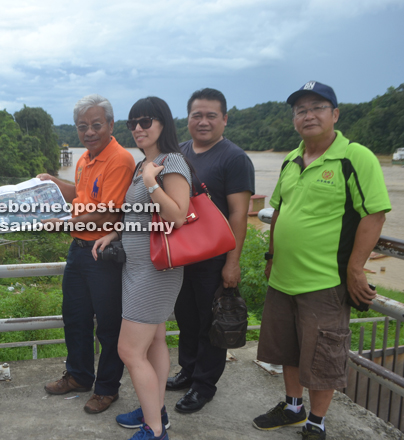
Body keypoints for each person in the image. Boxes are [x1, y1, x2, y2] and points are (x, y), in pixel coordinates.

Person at [253, 81, 391, 440]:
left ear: (335, 114)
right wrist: (270, 255)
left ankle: (316, 421)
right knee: (287, 348)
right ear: (294, 119)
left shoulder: (354, 157)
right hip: (282, 277)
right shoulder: (290, 158)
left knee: (323, 355)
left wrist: (355, 268)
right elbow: (280, 211)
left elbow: (374, 214)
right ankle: (293, 408)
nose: (308, 115)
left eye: (317, 107)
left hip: (325, 282)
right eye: (300, 110)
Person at [94, 97, 192, 440]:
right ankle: (157, 412)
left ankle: (154, 431)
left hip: (156, 271)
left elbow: (177, 215)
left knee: (128, 350)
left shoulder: (172, 161)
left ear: (163, 123)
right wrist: (115, 231)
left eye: (146, 121)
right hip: (137, 266)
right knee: (154, 344)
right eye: (132, 123)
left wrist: (152, 183)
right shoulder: (144, 164)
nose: (138, 128)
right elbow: (138, 216)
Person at [39, 94, 135, 415]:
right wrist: (53, 181)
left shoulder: (120, 160)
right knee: (76, 318)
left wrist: (62, 221)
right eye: (83, 127)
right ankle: (79, 375)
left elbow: (107, 214)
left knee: (108, 325)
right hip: (78, 250)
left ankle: (107, 388)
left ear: (110, 124)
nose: (89, 132)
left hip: (103, 254)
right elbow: (81, 197)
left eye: (96, 125)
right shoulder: (84, 159)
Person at [167, 88, 255, 414]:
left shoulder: (234, 158)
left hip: (214, 258)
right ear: (187, 119)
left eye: (211, 116)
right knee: (187, 320)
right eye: (196, 115)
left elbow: (238, 215)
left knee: (210, 323)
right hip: (183, 255)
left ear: (225, 119)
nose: (203, 122)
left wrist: (232, 263)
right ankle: (188, 371)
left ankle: (204, 385)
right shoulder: (180, 152)